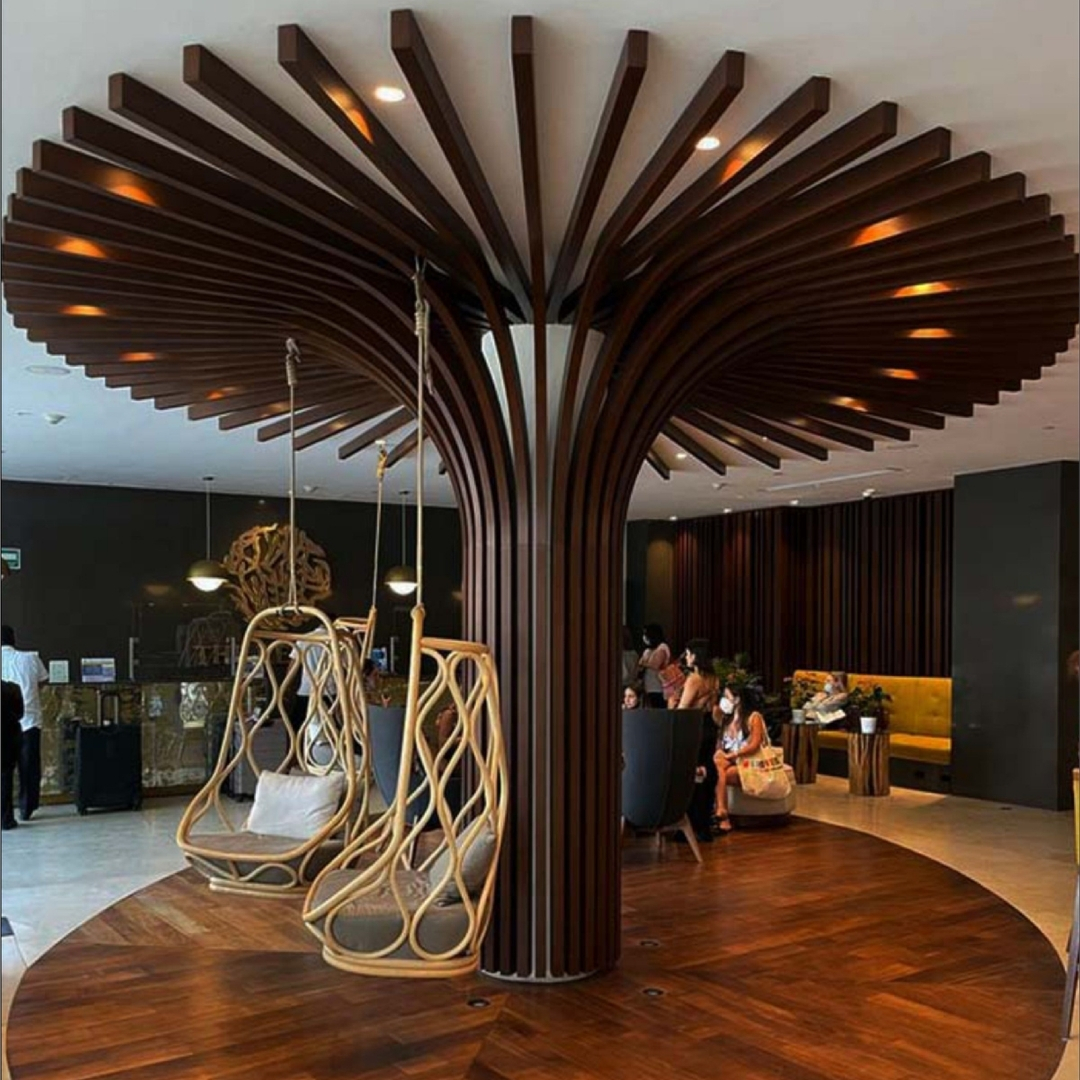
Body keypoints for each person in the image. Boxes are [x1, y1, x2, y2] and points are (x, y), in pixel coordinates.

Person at [1, 626, 49, 822]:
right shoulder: (31, 658)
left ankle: (5, 814)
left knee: (4, 771)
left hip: (4, 723)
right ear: (13, 640)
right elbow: (43, 681)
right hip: (29, 720)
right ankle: (26, 808)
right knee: (29, 767)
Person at [712, 684, 768, 833]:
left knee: (721, 772)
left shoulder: (753, 717)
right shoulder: (726, 719)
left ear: (738, 699)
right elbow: (720, 745)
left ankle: (722, 815)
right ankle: (722, 813)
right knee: (717, 765)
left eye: (727, 697)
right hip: (731, 760)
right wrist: (720, 752)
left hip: (749, 761)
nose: (724, 700)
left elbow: (755, 745)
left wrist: (732, 755)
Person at [2, 680, 25, 830]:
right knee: (5, 779)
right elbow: (20, 714)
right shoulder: (12, 688)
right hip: (7, 738)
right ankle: (5, 819)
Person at [638, 624, 672, 708]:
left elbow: (655, 664)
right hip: (648, 686)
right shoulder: (648, 650)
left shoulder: (662, 647)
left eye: (646, 634)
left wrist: (644, 663)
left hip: (659, 686)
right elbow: (639, 665)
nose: (644, 637)